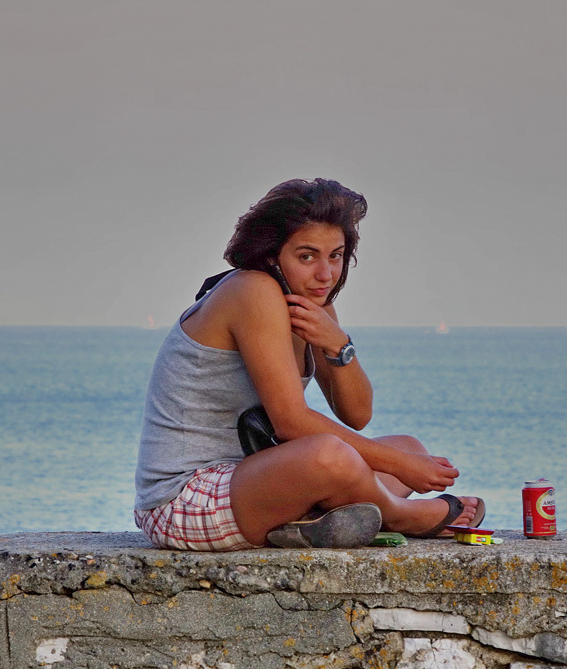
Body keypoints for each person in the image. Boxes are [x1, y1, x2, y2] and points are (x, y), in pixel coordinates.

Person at [134, 178, 485, 551]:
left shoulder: (310, 301)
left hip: (252, 479)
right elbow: (291, 423)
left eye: (335, 256)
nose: (325, 274)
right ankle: (400, 515)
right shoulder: (252, 290)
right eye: (307, 256)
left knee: (409, 446)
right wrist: (399, 465)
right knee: (331, 455)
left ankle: (310, 522)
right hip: (183, 499)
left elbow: (357, 414)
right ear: (272, 255)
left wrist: (338, 344)